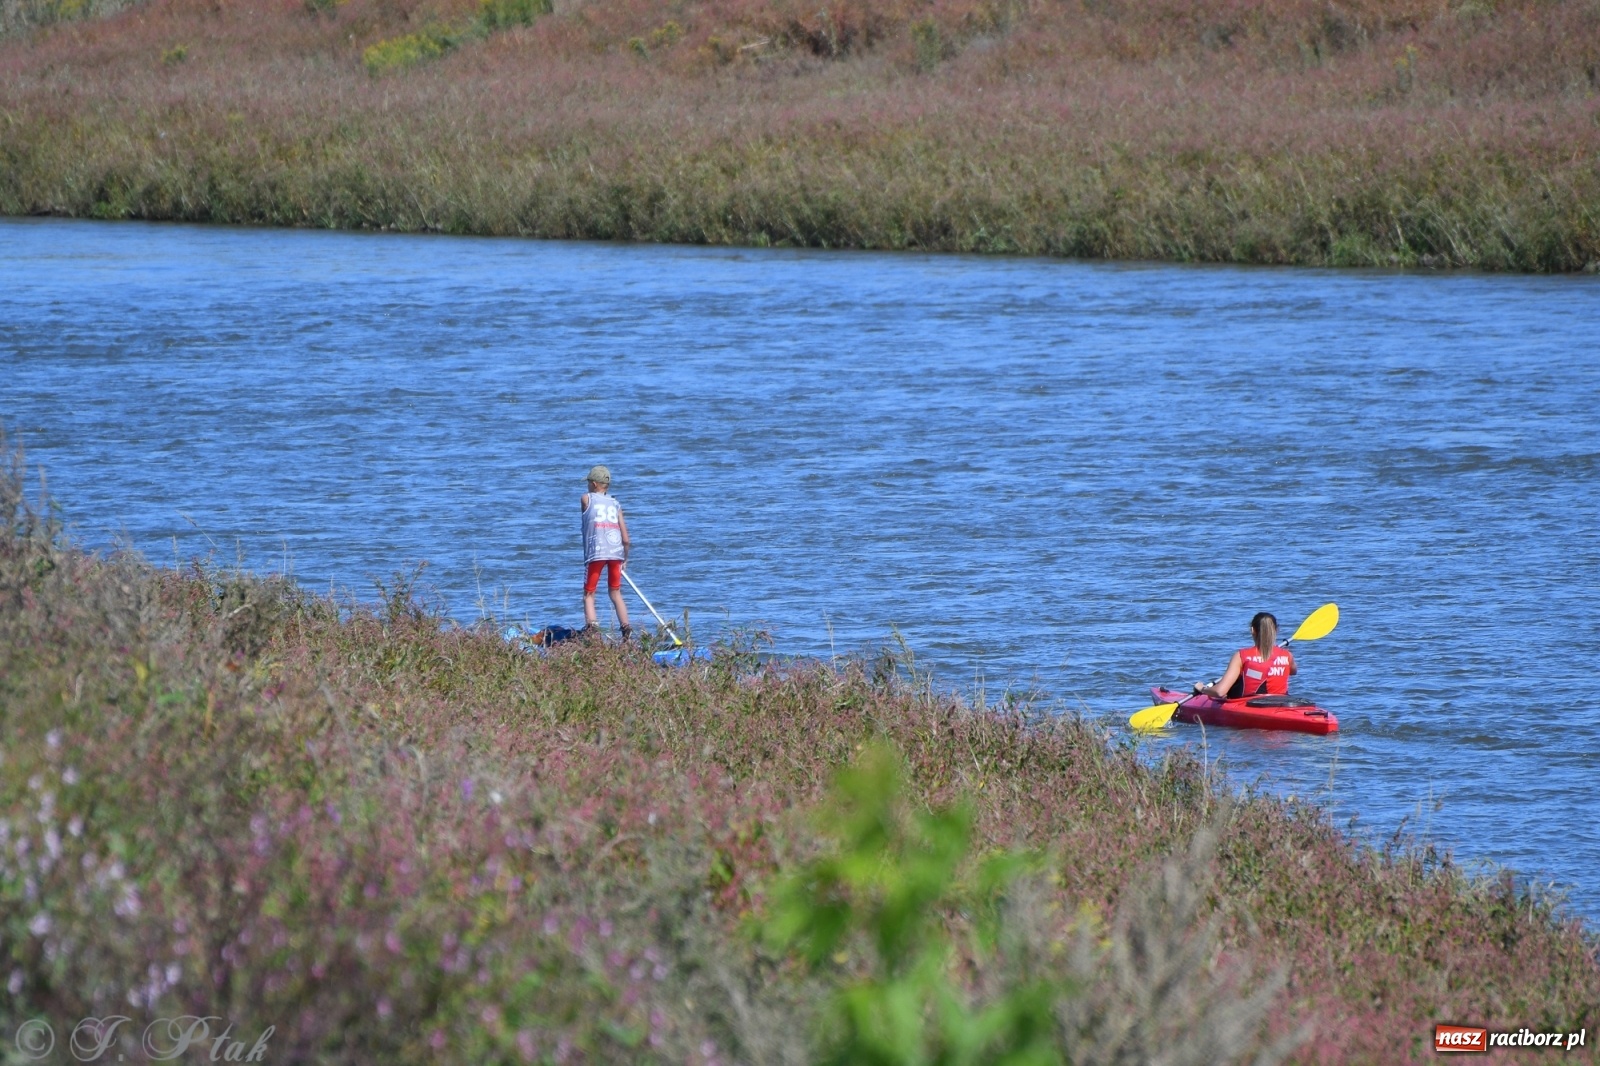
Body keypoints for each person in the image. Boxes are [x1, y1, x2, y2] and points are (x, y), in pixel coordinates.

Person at [580, 465, 631, 640]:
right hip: (616, 553)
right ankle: (626, 632)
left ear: (594, 484)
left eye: (588, 482)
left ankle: (592, 634)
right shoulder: (616, 504)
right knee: (615, 593)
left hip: (596, 554)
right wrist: (625, 558)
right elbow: (625, 538)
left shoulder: (587, 499)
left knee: (588, 594)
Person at [1193, 611, 1295, 699]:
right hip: (1282, 703)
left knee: (1241, 679)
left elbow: (1220, 692)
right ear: (1276, 630)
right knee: (1246, 675)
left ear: (1252, 630)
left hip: (1251, 706)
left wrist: (1203, 689)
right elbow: (1293, 671)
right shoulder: (1287, 655)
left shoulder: (1242, 656)